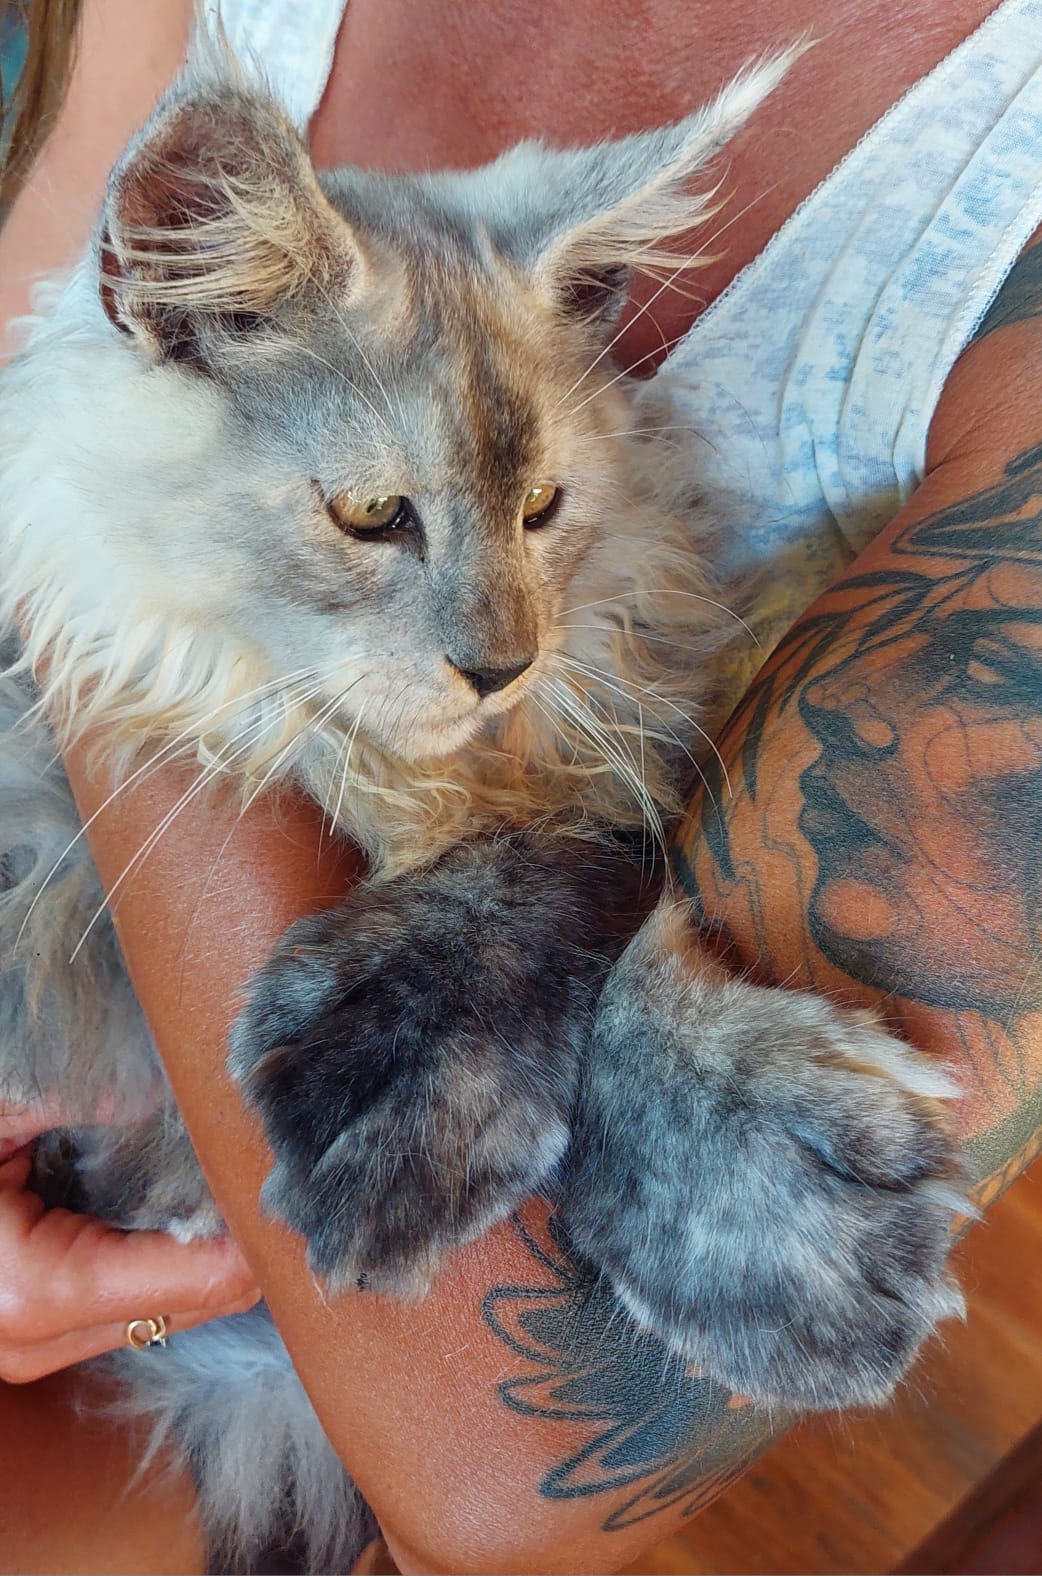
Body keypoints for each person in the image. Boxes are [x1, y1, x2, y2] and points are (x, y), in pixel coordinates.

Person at [1, 1, 1041, 1571]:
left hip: (199, 1383)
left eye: (542, 511)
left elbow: (493, 1479)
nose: (502, 647)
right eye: (374, 515)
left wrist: (118, 585)